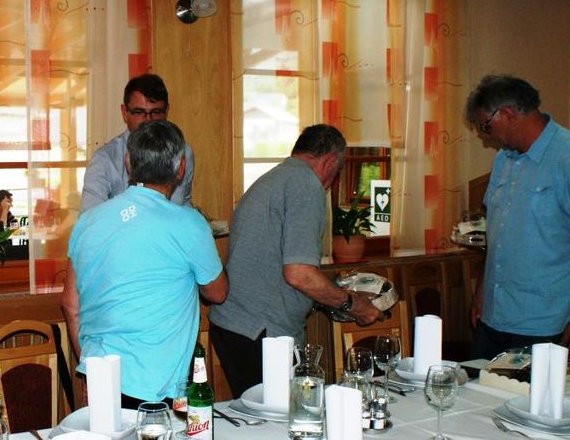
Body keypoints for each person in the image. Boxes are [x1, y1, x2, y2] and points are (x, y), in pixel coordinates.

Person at [62, 120, 227, 408]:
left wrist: (92, 366)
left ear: (127, 162)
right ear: (181, 168)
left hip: (101, 374)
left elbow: (70, 304)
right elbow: (217, 292)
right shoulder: (189, 224)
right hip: (159, 383)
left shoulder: (87, 222)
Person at [209, 124, 381, 398]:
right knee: (282, 417)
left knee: (261, 417)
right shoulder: (306, 185)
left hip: (235, 326)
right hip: (261, 332)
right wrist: (352, 304)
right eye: (337, 172)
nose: (332, 182)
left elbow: (277, 263)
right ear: (330, 162)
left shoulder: (275, 179)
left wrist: (332, 287)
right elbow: (299, 274)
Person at [465, 75, 570, 361]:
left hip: (548, 324)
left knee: (539, 394)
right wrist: (481, 292)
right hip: (495, 317)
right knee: (477, 388)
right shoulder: (504, 160)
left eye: (485, 126)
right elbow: (498, 236)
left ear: (507, 114)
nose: (485, 135)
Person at [80, 73, 194, 212]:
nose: (148, 120)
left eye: (156, 112)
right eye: (139, 112)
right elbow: (91, 218)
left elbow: (184, 204)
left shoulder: (183, 152)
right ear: (124, 112)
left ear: (166, 112)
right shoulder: (105, 159)